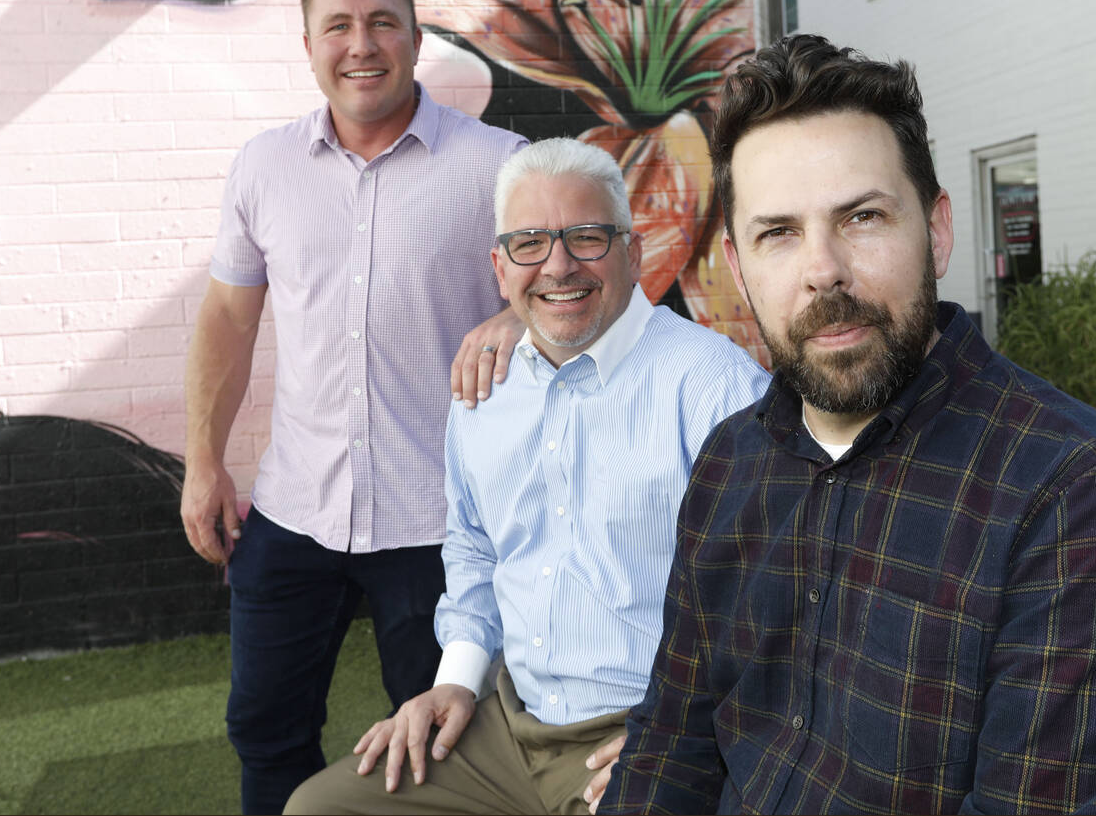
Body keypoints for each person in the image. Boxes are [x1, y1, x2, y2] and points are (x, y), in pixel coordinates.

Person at [601, 35, 1096, 814]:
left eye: (864, 216)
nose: (823, 269)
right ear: (738, 271)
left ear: (936, 232)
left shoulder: (1081, 495)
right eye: (778, 233)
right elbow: (673, 739)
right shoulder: (730, 460)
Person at [283, 138, 770, 816]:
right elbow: (476, 550)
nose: (559, 264)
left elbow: (772, 593)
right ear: (500, 265)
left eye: (587, 237)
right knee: (319, 808)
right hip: (511, 725)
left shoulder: (715, 387)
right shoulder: (484, 392)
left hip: (647, 729)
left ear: (633, 252)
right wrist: (455, 681)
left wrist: (687, 737)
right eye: (530, 243)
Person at [179, 0, 527, 815]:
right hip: (295, 512)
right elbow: (228, 319)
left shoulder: (501, 163)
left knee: (448, 749)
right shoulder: (264, 166)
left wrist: (520, 316)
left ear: (415, 40)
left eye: (382, 22)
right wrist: (202, 459)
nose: (360, 43)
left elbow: (588, 286)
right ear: (309, 44)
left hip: (440, 521)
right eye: (338, 24)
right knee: (266, 729)